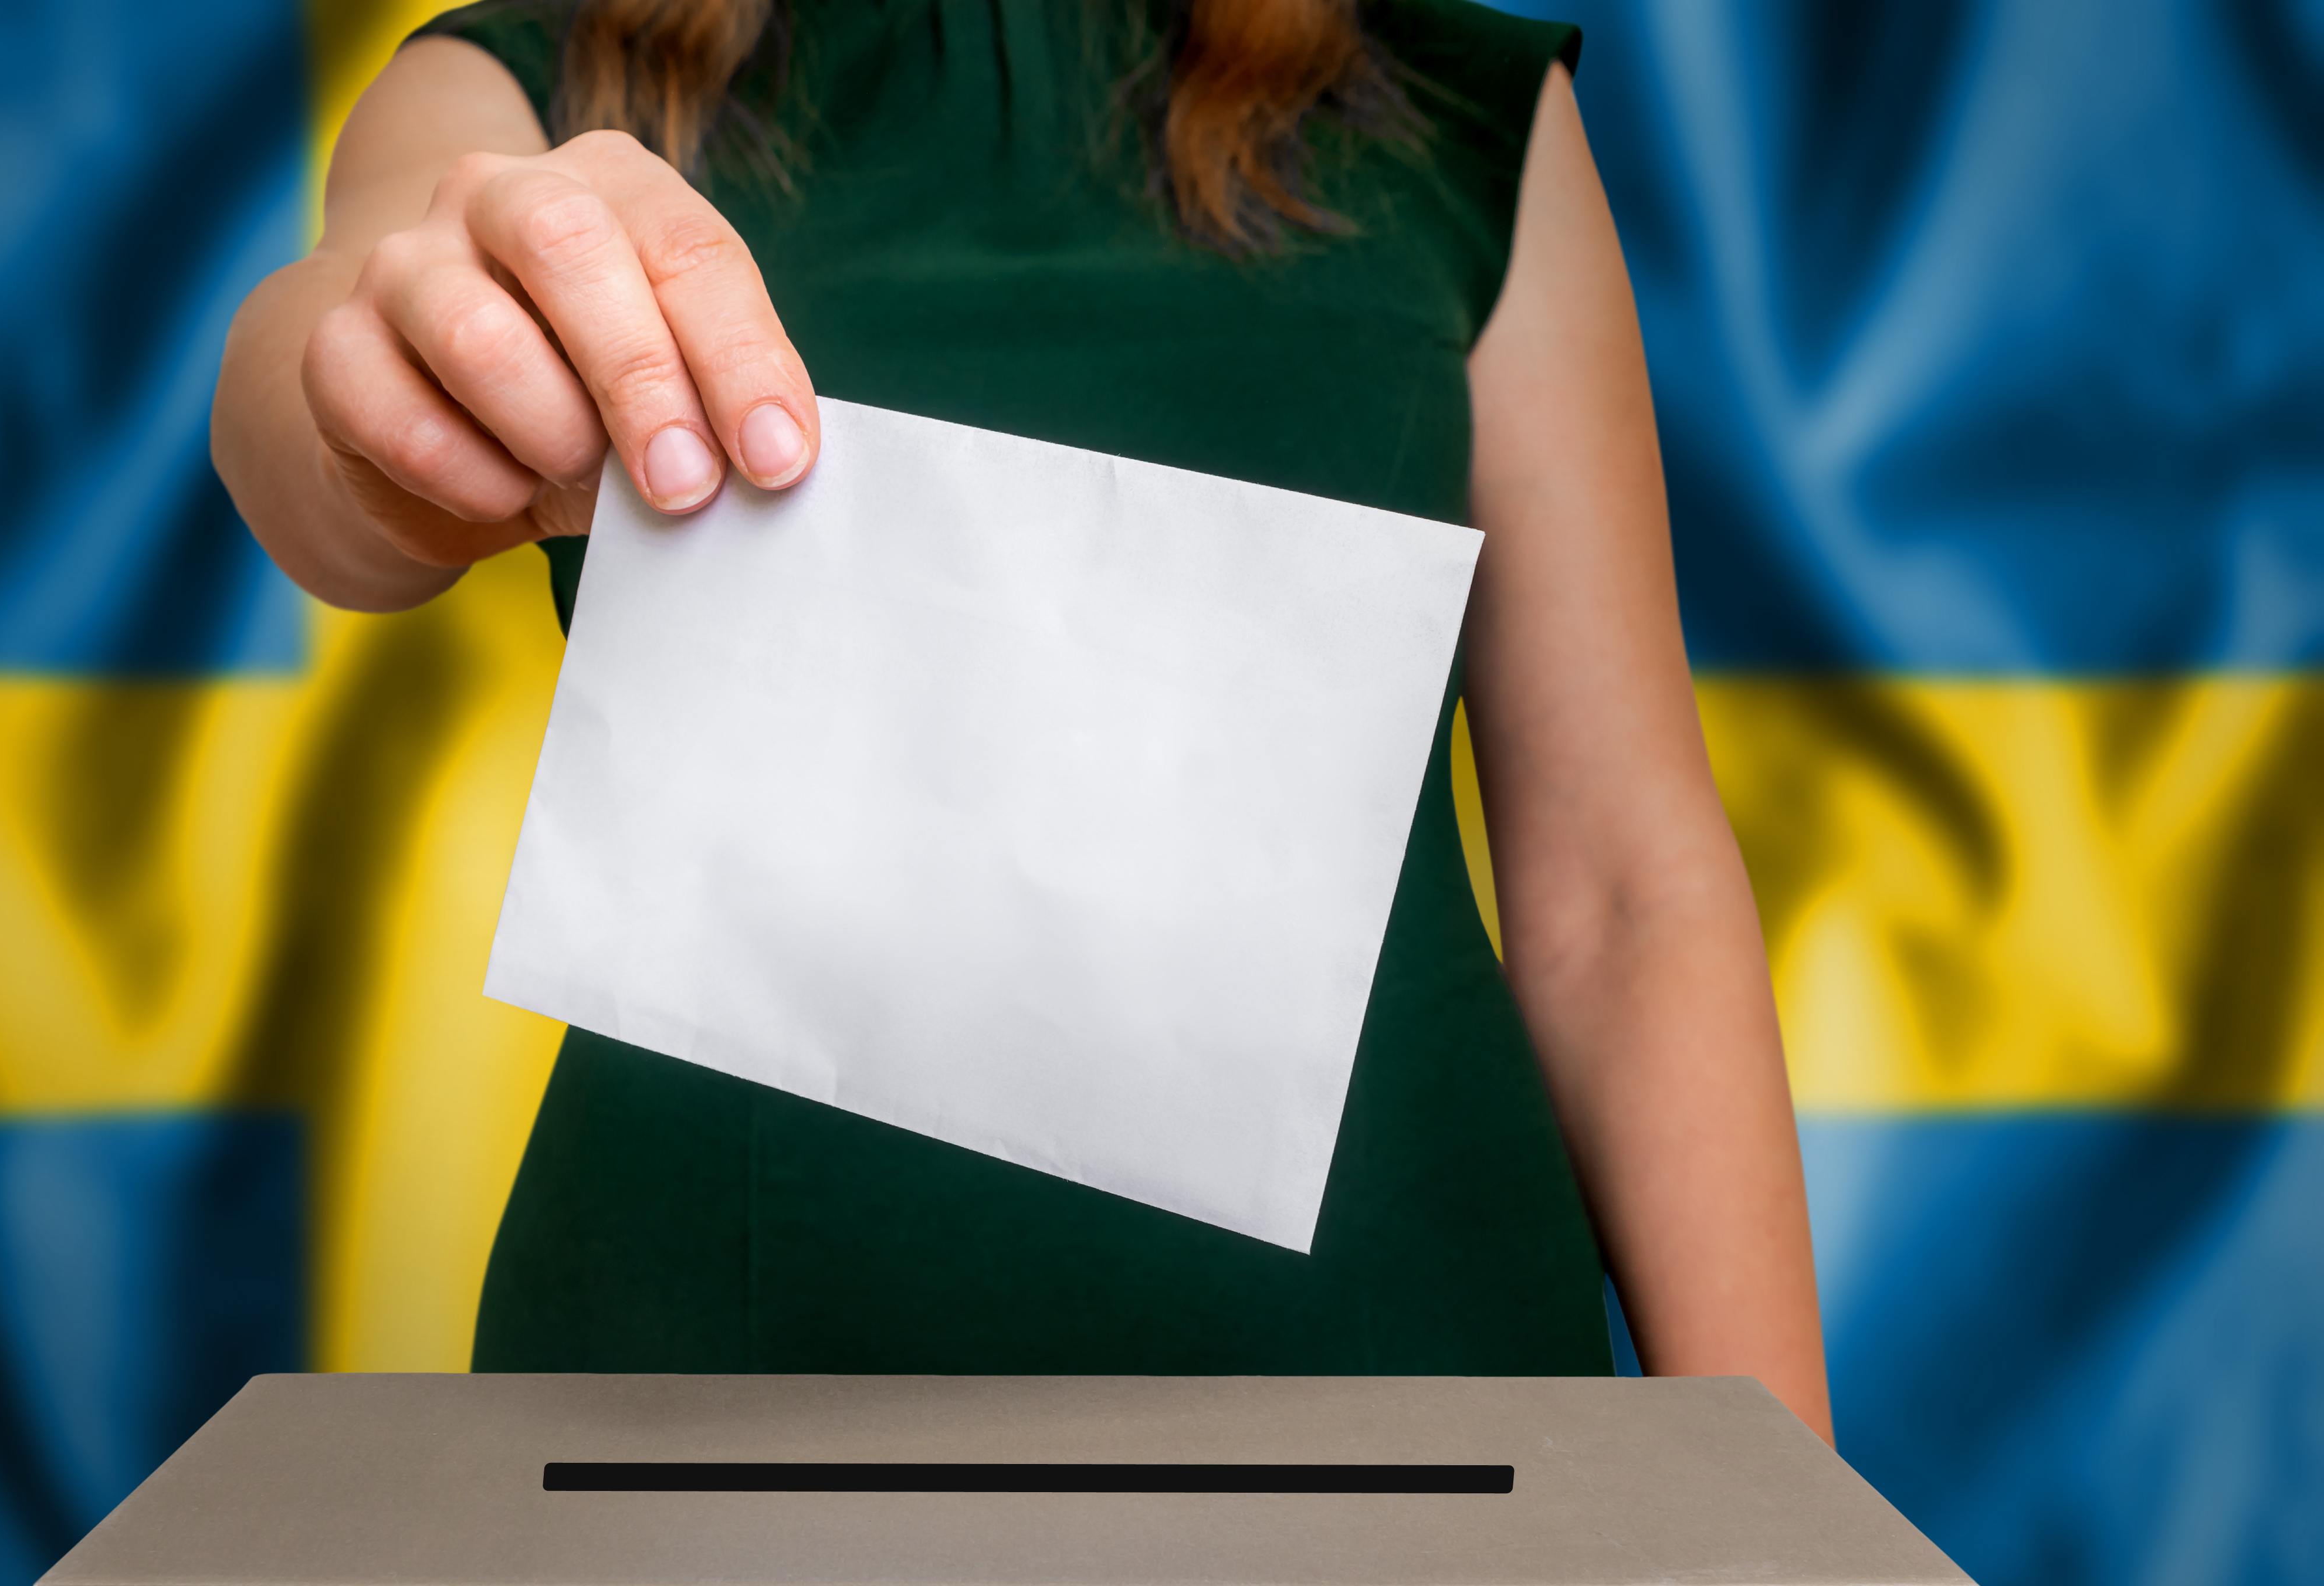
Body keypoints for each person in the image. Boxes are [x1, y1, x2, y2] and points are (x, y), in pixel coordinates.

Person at [213, 0, 1833, 1439]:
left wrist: (1796, 1580)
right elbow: (324, 422)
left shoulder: (1459, 109)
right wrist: (387, 377)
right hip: (705, 1385)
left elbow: (1628, 892)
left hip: (1407, 1368)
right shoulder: (519, 81)